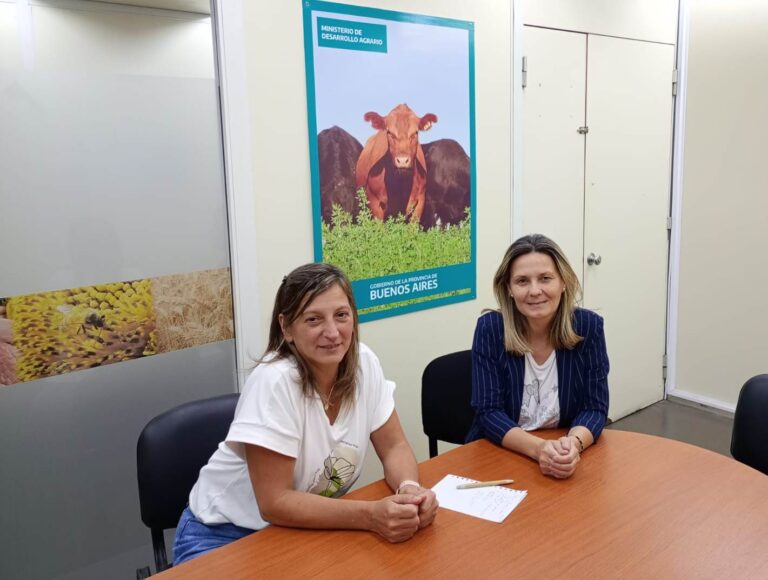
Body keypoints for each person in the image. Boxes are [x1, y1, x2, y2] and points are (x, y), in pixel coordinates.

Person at [173, 263, 438, 565]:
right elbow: (275, 502)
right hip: (225, 535)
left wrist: (410, 491)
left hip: (304, 529)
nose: (332, 332)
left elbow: (394, 447)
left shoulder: (364, 363)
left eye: (341, 315)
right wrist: (370, 514)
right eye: (314, 319)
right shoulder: (274, 382)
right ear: (286, 328)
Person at [466, 234, 609, 479]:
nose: (535, 291)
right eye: (522, 281)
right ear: (508, 289)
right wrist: (539, 449)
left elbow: (595, 407)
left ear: (563, 282)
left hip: (563, 452)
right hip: (502, 453)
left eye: (545, 279)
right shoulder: (490, 329)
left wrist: (572, 446)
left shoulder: (588, 327)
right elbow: (488, 412)